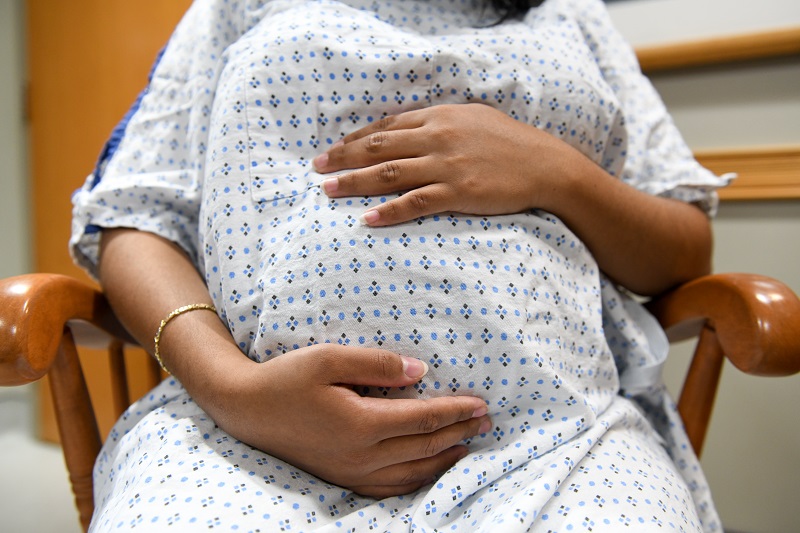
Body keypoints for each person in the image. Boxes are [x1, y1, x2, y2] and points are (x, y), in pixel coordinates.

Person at [70, 0, 730, 530]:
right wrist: (236, 394)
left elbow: (682, 245)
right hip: (248, 443)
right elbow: (137, 219)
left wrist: (557, 173)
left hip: (557, 442)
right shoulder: (233, 8)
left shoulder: (571, 13)